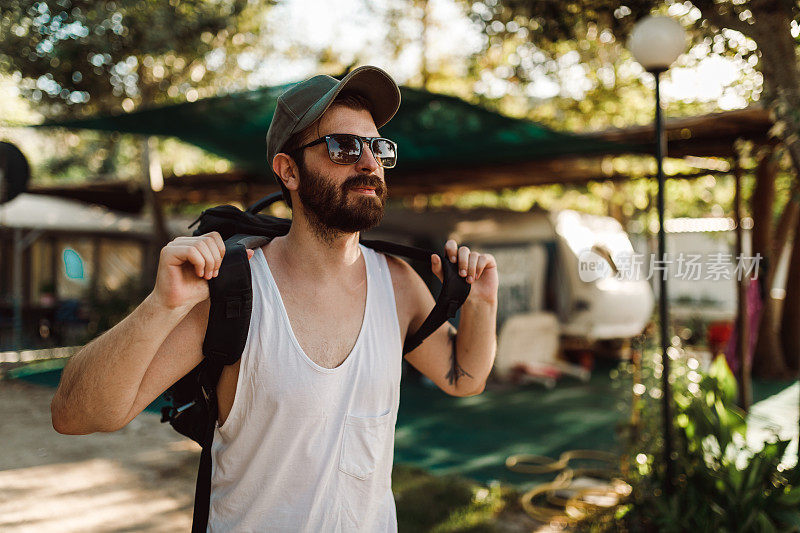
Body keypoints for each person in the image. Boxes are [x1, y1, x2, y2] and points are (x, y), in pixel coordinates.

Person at [50, 65, 499, 531]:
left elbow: (461, 378)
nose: (368, 162)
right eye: (343, 146)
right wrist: (159, 308)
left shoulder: (399, 282)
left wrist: (482, 305)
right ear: (289, 171)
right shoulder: (232, 288)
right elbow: (74, 415)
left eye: (378, 148)